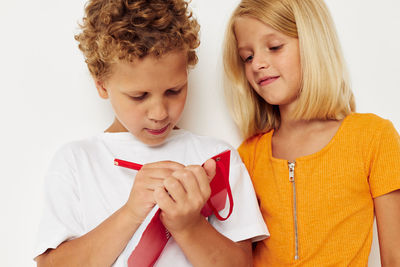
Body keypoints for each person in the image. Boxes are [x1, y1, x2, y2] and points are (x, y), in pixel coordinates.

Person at [33, 0, 269, 266]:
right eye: (139, 96)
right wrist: (131, 212)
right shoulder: (76, 162)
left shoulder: (217, 159)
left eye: (174, 91)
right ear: (100, 84)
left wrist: (188, 226)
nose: (159, 112)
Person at [223, 0, 400, 266]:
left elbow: (395, 256)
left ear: (313, 43)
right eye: (247, 57)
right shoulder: (247, 155)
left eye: (274, 47)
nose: (257, 64)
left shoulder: (373, 137)